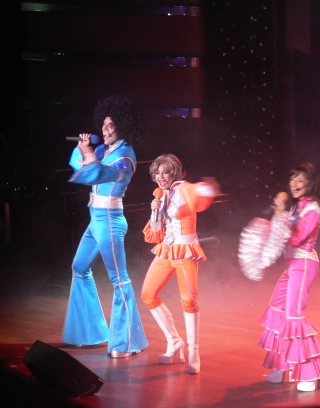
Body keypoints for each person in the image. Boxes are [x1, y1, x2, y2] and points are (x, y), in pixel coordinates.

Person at [62, 95, 148, 358]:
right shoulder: (103, 151)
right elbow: (79, 164)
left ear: (123, 127)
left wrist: (89, 152)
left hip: (110, 221)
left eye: (112, 125)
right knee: (79, 267)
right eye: (104, 124)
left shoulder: (125, 156)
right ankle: (89, 333)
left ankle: (126, 343)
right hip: (95, 220)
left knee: (119, 279)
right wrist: (85, 148)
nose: (106, 129)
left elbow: (97, 173)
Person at [257, 162, 320, 392]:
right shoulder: (297, 207)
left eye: (300, 180)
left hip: (304, 265)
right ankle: (285, 366)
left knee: (294, 317)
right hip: (292, 266)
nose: (294, 184)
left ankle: (312, 374)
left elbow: (297, 238)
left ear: (310, 183)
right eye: (292, 179)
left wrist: (281, 217)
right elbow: (281, 236)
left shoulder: (314, 209)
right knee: (278, 312)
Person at [140, 154, 218, 374]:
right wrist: (154, 211)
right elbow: (156, 233)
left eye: (165, 172)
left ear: (175, 173)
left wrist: (207, 189)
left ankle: (194, 351)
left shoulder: (183, 189)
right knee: (148, 294)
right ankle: (174, 341)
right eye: (157, 173)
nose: (160, 177)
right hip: (167, 249)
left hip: (184, 250)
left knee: (189, 299)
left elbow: (198, 192)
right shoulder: (161, 195)